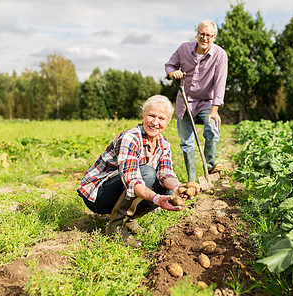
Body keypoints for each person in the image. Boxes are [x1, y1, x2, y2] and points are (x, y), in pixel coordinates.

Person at [77, 95, 196, 247]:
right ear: (143, 115)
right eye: (151, 115)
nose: (155, 122)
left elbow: (165, 173)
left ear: (167, 122)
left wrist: (178, 187)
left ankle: (129, 219)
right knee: (147, 173)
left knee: (166, 189)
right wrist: (156, 199)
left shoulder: (164, 144)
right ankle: (115, 226)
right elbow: (133, 181)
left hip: (122, 189)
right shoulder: (130, 138)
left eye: (161, 118)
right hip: (98, 195)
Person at [165, 19, 228, 182]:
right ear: (197, 34)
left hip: (206, 101)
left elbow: (220, 83)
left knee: (213, 128)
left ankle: (210, 167)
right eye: (201, 34)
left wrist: (214, 110)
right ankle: (192, 180)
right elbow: (170, 65)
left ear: (214, 37)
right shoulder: (184, 49)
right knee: (186, 142)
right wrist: (173, 73)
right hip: (185, 101)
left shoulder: (220, 55)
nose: (204, 38)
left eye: (208, 35)